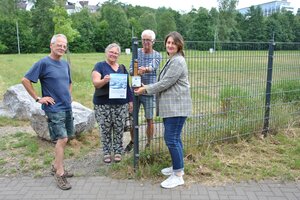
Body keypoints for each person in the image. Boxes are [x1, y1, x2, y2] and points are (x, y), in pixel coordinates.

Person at [134, 31, 192, 189]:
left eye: (173, 43)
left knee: (171, 139)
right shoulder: (173, 59)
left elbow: (165, 83)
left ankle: (178, 175)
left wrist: (145, 89)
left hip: (177, 108)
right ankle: (177, 168)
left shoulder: (178, 61)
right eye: (168, 42)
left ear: (179, 45)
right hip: (173, 107)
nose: (170, 45)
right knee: (175, 138)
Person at [21, 34, 74, 190]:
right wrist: (38, 98)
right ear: (51, 45)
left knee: (66, 137)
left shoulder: (65, 64)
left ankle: (55, 165)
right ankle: (59, 173)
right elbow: (25, 80)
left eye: (64, 46)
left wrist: (69, 95)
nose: (62, 48)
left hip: (66, 107)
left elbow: (69, 82)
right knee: (62, 139)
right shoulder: (43, 63)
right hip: (54, 108)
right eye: (59, 45)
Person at [92, 43, 133, 164]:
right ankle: (106, 152)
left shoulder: (122, 68)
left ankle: (118, 151)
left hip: (120, 104)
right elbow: (96, 83)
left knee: (119, 128)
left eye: (116, 53)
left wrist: (130, 101)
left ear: (119, 55)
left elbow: (127, 86)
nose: (113, 54)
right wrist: (104, 80)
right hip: (103, 104)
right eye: (111, 52)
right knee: (105, 129)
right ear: (106, 52)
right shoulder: (99, 66)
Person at [125, 29, 162, 152]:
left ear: (153, 41)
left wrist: (144, 69)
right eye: (144, 40)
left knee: (149, 119)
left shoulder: (157, 55)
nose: (146, 42)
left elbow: (153, 66)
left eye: (148, 40)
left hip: (148, 91)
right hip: (135, 91)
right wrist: (137, 71)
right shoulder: (136, 52)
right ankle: (133, 141)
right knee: (131, 117)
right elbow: (131, 70)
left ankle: (149, 143)